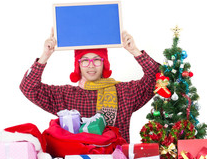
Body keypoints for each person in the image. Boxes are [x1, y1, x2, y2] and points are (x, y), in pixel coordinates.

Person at [20, 29, 160, 143]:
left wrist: (134, 50)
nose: (91, 65)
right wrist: (45, 55)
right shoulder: (65, 95)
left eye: (97, 60)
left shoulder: (124, 92)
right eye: (85, 61)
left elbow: (158, 79)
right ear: (78, 65)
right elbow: (28, 88)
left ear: (104, 63)